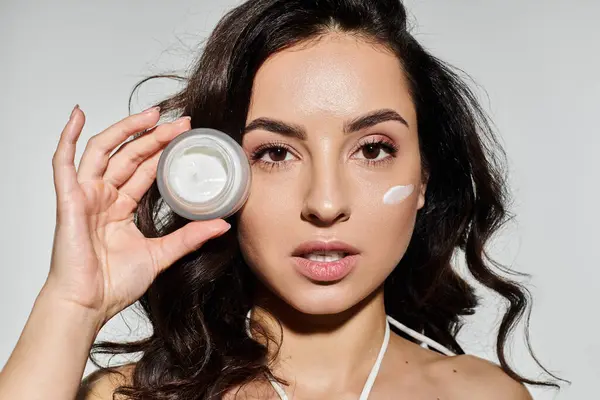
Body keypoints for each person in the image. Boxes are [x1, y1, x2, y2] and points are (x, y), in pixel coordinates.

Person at [0, 0, 566, 399]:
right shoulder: (132, 396)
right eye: (274, 153)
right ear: (215, 181)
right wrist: (71, 306)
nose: (324, 202)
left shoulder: (482, 396)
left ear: (423, 179)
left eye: (371, 149)